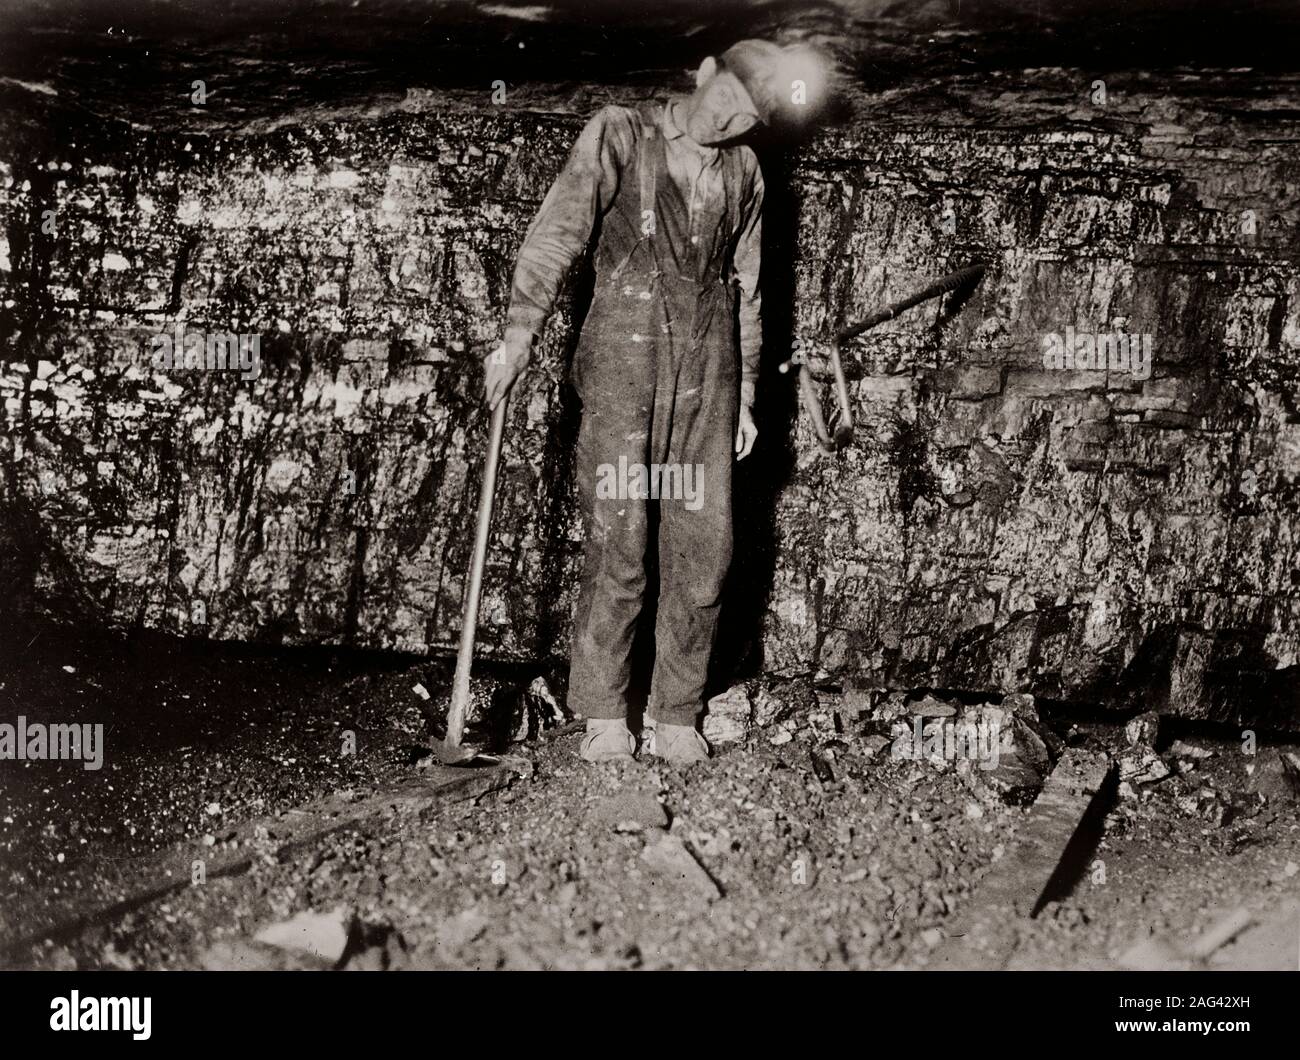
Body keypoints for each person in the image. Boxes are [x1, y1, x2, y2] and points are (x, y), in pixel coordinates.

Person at [484, 39, 828, 764]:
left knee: (705, 546)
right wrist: (518, 332)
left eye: (748, 118)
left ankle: (677, 711)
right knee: (623, 539)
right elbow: (559, 232)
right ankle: (606, 711)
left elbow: (750, 291)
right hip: (625, 356)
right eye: (729, 99)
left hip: (711, 366)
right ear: (705, 74)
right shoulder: (621, 130)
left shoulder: (747, 173)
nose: (731, 121)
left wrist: (745, 399)